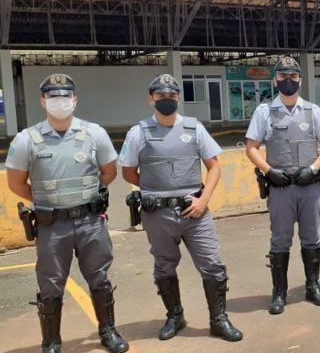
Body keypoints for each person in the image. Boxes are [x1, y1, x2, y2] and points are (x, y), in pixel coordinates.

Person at [5, 74, 129, 353]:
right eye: (53, 96)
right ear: (43, 101)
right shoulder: (26, 139)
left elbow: (109, 172)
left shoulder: (95, 133)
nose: (59, 101)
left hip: (90, 222)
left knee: (99, 277)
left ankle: (108, 331)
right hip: (51, 224)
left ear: (74, 100)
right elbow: (16, 183)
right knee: (50, 284)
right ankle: (51, 341)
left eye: (65, 96)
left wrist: (85, 197)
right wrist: (49, 201)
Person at [119, 74, 242, 342]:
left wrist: (203, 200)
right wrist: (157, 190)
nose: (167, 99)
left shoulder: (194, 128)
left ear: (178, 98)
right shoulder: (138, 132)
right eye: (161, 96)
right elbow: (128, 172)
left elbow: (214, 167)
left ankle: (219, 319)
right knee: (164, 266)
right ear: (151, 99)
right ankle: (175, 316)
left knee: (213, 264)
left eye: (172, 95)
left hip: (195, 210)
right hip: (158, 214)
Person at [244, 56, 320, 315]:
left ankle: (312, 286)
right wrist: (269, 171)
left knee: (311, 237)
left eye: (293, 76)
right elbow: (251, 148)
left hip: (310, 186)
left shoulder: (313, 111)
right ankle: (279, 292)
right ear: (275, 81)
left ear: (300, 80)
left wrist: (314, 168)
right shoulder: (264, 112)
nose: (288, 81)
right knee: (280, 240)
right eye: (283, 76)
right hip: (281, 187)